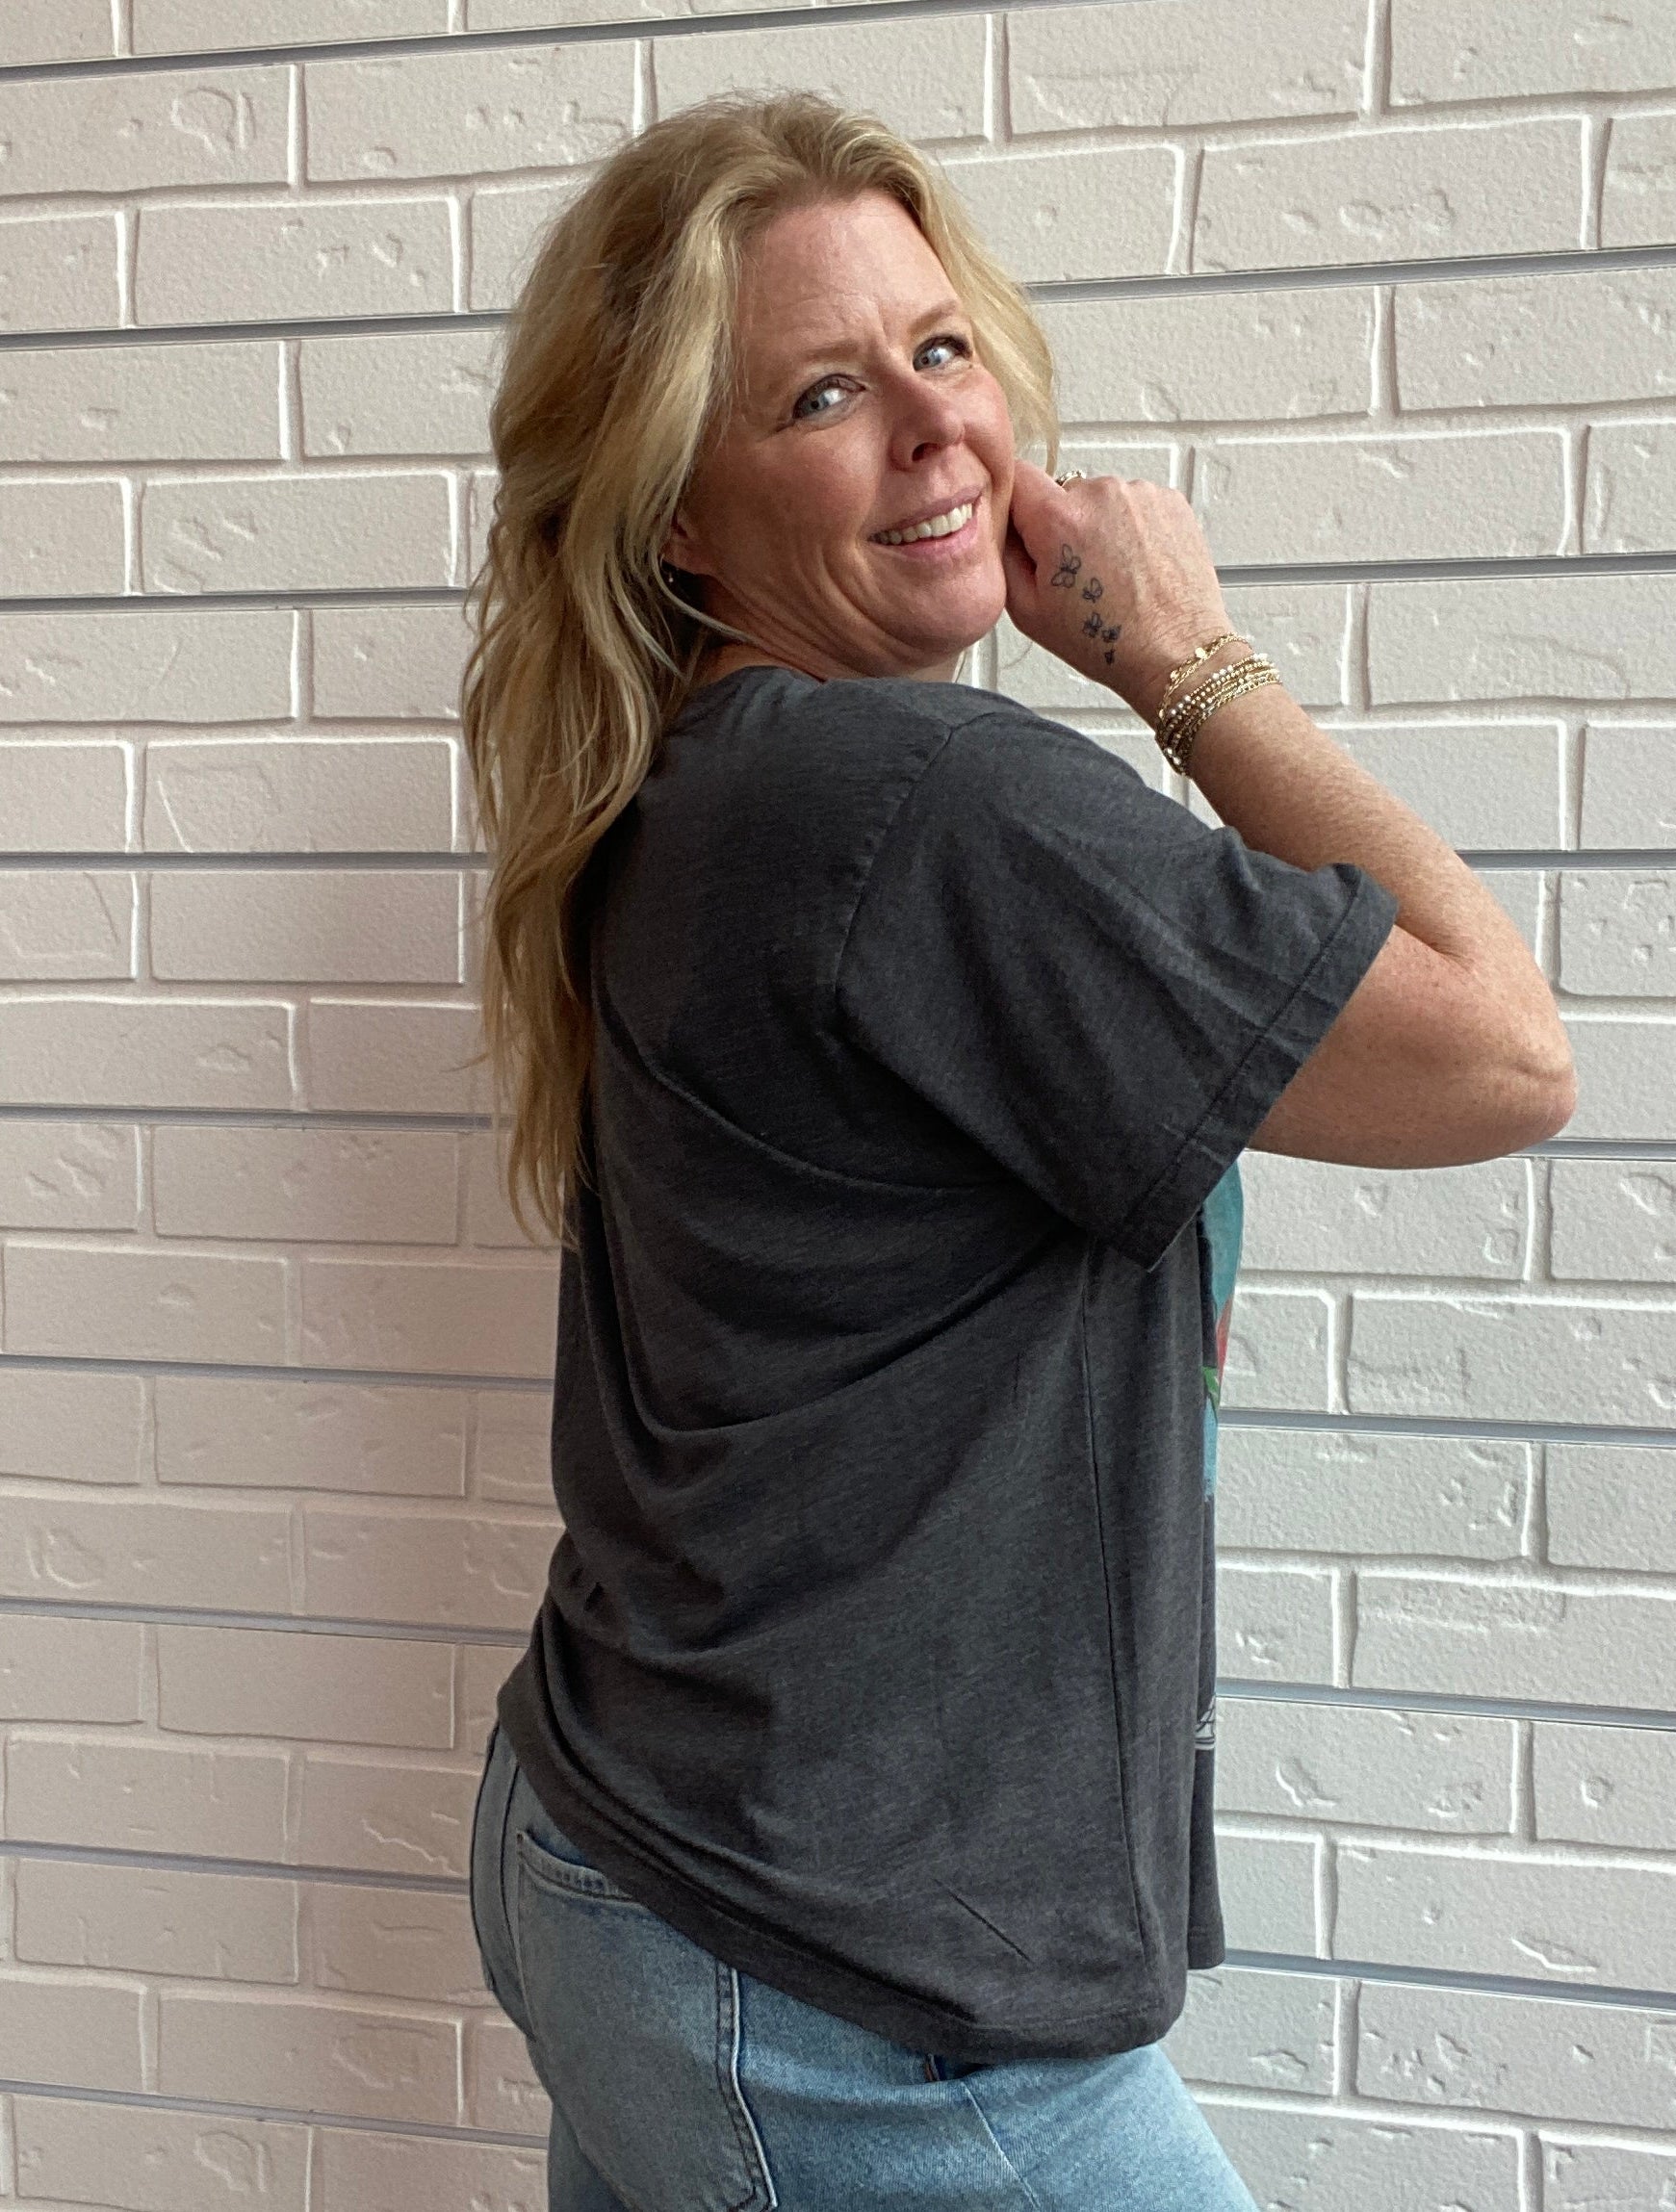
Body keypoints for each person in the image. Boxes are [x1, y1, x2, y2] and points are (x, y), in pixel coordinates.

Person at [458, 90, 1576, 2212]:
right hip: (836, 1990)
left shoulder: (695, 784)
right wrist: (1185, 659)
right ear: (679, 521)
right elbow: (1500, 1051)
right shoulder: (918, 803)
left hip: (633, 1859)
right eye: (821, 394)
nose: (934, 431)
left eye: (939, 348)